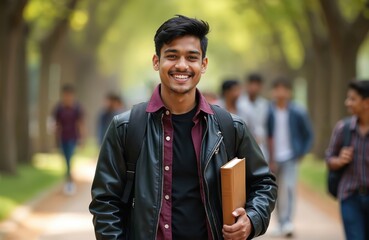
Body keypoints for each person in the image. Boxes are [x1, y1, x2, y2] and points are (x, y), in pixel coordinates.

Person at [89, 15, 277, 240]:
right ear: (156, 61)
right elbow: (104, 203)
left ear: (203, 64)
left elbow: (263, 183)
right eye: (172, 56)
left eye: (191, 57)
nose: (181, 65)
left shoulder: (229, 127)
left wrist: (252, 219)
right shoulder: (126, 128)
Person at [266, 77, 313, 237]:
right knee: (276, 190)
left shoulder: (298, 111)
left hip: (291, 156)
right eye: (277, 88)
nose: (280, 92)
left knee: (290, 188)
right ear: (272, 91)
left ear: (289, 92)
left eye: (283, 88)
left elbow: (308, 134)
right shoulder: (268, 111)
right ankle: (280, 222)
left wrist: (301, 152)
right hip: (272, 158)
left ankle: (288, 222)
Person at [326, 80, 369, 240]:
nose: (347, 103)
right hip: (350, 197)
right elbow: (329, 159)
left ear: (366, 102)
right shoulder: (343, 128)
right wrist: (339, 160)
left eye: (352, 99)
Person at [53, 84, 84, 195]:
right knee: (65, 160)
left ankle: (69, 182)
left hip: (73, 137)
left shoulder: (77, 108)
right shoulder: (59, 108)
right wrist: (56, 138)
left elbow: (80, 124)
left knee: (69, 160)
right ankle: (68, 181)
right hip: (63, 137)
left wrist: (81, 138)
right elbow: (56, 124)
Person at [237, 73, 269, 161]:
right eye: (252, 84)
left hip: (261, 145)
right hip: (245, 143)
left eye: (257, 85)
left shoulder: (264, 105)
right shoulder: (240, 104)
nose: (254, 87)